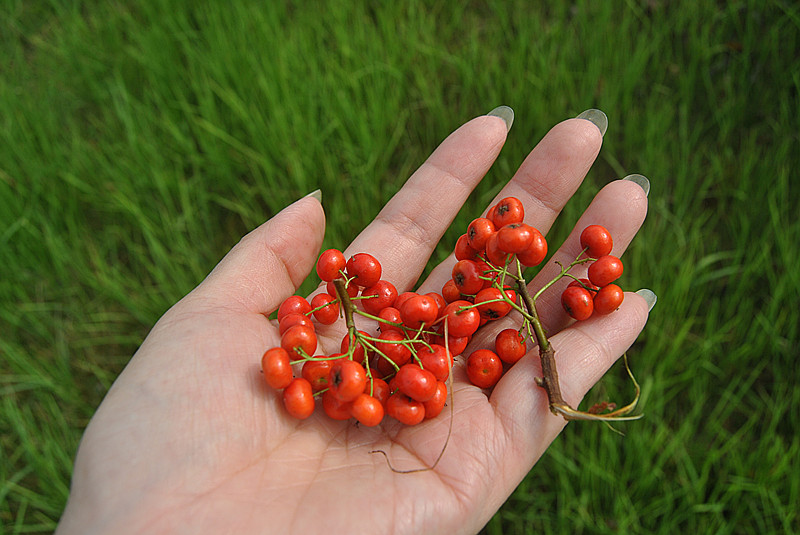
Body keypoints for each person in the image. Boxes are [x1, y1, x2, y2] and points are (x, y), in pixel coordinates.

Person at [55, 107, 655, 534]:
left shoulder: (475, 284)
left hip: (428, 340)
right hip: (402, 358)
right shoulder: (359, 351)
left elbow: (415, 318)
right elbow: (390, 347)